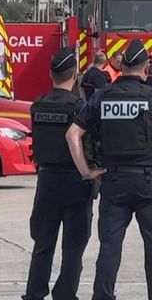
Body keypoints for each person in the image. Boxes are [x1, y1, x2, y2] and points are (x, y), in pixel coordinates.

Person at [66, 39, 152, 300]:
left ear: (121, 66)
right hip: (148, 182)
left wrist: (86, 171)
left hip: (113, 181)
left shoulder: (103, 96)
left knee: (110, 248)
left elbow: (72, 134)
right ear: (146, 67)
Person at [23, 47, 94, 300]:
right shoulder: (81, 107)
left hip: (47, 180)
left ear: (50, 74)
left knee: (43, 243)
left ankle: (34, 292)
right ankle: (65, 293)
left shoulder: (37, 105)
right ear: (75, 75)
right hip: (75, 181)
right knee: (74, 246)